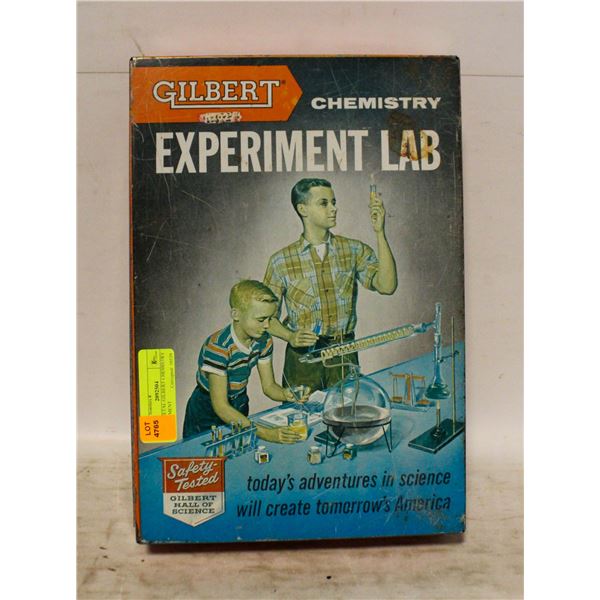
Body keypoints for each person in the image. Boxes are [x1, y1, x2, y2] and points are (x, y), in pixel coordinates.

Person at [263, 178, 397, 391]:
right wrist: (290, 336)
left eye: (333, 202)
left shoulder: (353, 250)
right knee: (302, 412)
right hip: (302, 361)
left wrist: (379, 232)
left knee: (348, 411)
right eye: (324, 203)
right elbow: (266, 319)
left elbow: (387, 286)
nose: (334, 208)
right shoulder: (280, 261)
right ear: (303, 209)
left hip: (344, 355)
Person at [183, 280, 308, 442]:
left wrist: (286, 394)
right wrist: (267, 433)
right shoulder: (218, 347)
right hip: (207, 409)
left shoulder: (264, 341)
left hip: (239, 403)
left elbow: (269, 387)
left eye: (270, 319)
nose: (267, 325)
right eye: (261, 319)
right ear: (236, 314)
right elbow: (220, 406)